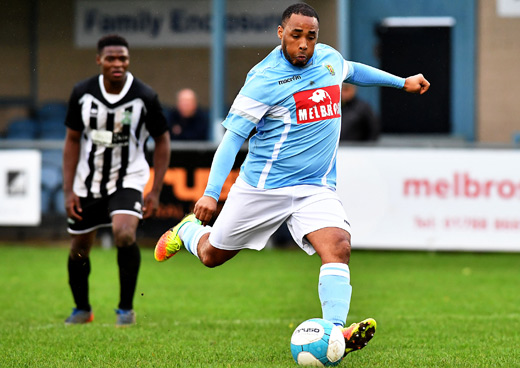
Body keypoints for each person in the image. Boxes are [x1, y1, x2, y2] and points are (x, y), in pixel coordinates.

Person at [155, 2, 429, 357]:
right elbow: (232, 139)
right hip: (263, 188)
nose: (304, 44)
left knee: (339, 246)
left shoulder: (328, 59)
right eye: (296, 35)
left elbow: (352, 70)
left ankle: (335, 333)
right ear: (281, 33)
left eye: (311, 37)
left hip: (315, 186)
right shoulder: (263, 80)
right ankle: (188, 232)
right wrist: (210, 194)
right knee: (211, 256)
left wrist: (400, 82)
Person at [62, 34, 170, 326]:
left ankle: (125, 309)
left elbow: (162, 141)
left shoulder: (145, 96)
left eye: (122, 57)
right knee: (79, 248)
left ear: (128, 60)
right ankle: (82, 308)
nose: (117, 63)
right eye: (111, 58)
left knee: (124, 233)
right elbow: (72, 140)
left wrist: (155, 190)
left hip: (129, 178)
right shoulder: (82, 93)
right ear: (99, 60)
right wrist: (69, 190)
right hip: (88, 182)